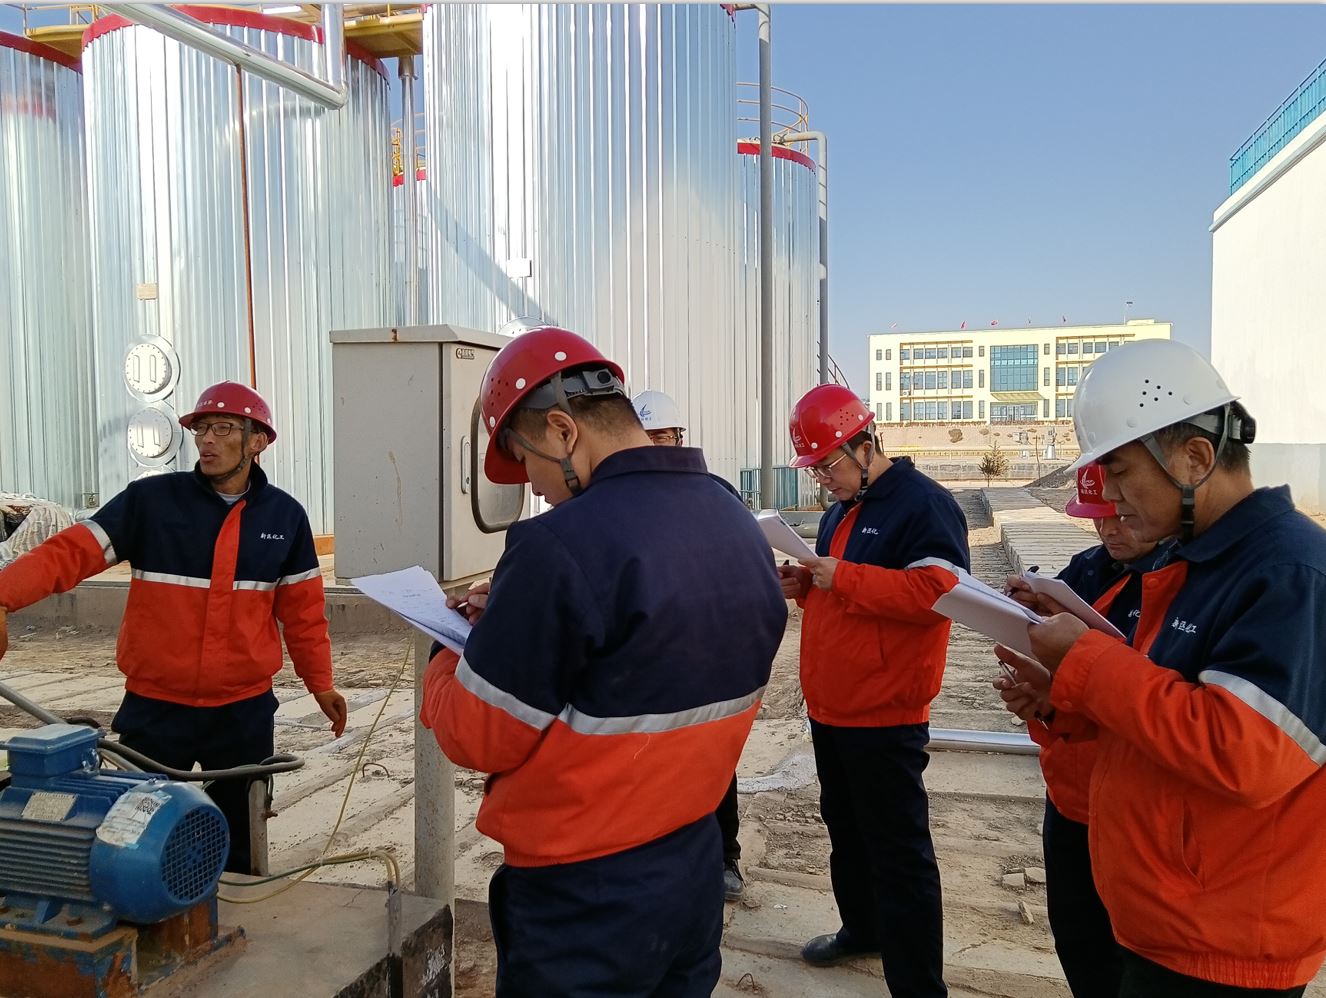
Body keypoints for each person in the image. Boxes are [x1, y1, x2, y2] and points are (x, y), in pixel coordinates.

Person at [420, 328, 787, 997]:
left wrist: (447, 648)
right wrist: (519, 614)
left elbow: (476, 734)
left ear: (563, 431)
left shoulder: (557, 545)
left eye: (527, 463)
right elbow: (644, 644)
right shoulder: (732, 517)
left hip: (582, 894)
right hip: (692, 860)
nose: (537, 491)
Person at [996, 338, 1326, 997]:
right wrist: (1066, 702)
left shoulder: (1290, 572)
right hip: (1167, 920)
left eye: (1120, 473)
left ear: (1195, 458)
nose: (1112, 498)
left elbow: (1246, 753)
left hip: (1224, 945)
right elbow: (1164, 716)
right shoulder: (1194, 560)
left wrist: (1086, 661)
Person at [0, 381, 347, 873]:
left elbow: (304, 615)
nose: (207, 440)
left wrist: (321, 684)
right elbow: (70, 553)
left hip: (242, 713)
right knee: (137, 842)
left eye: (223, 428)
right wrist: (4, 595)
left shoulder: (285, 517)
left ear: (257, 441)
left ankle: (237, 911)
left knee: (240, 841)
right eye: (201, 429)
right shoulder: (151, 502)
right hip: (155, 711)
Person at [778, 383, 969, 998]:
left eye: (828, 465)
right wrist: (806, 584)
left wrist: (843, 577)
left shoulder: (925, 505)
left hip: (886, 712)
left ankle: (918, 986)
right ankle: (863, 928)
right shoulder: (840, 511)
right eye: (814, 469)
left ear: (866, 446)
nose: (822, 480)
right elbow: (843, 592)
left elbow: (939, 594)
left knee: (899, 852)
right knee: (846, 831)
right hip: (832, 705)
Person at [1002, 462, 1167, 998]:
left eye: (1121, 516)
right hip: (1070, 794)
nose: (1109, 530)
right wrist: (1026, 615)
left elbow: (1162, 707)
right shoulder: (1089, 568)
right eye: (1098, 518)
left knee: (1132, 959)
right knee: (1079, 938)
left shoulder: (1181, 584)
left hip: (1135, 809)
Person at [633, 388, 746, 902]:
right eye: (646, 438)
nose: (656, 447)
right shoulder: (620, 502)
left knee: (713, 760)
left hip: (707, 651)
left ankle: (724, 858)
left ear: (680, 438)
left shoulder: (716, 494)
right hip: (649, 656)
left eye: (663, 437)